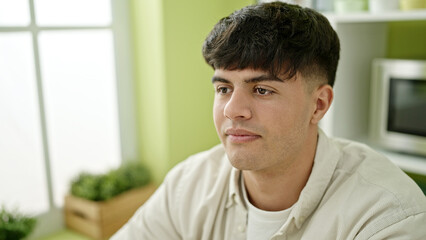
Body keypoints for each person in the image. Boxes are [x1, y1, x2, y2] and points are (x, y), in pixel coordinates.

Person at [111, 2, 426, 239]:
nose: (233, 110)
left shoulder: (388, 215)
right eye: (223, 88)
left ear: (318, 105)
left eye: (261, 90)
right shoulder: (188, 184)